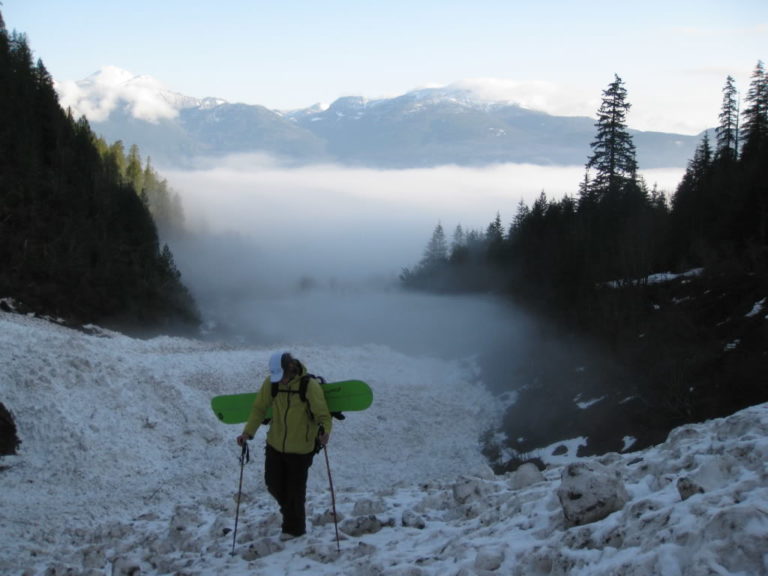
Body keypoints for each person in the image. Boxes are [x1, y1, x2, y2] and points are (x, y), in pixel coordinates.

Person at [236, 351, 332, 540]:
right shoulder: (271, 383)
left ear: (291, 368)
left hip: (301, 449)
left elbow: (323, 415)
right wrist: (248, 432)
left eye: (283, 377)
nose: (281, 381)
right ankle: (292, 514)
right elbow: (259, 408)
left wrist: (325, 432)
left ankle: (294, 530)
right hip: (275, 444)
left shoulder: (309, 386)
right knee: (273, 485)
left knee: (295, 491)